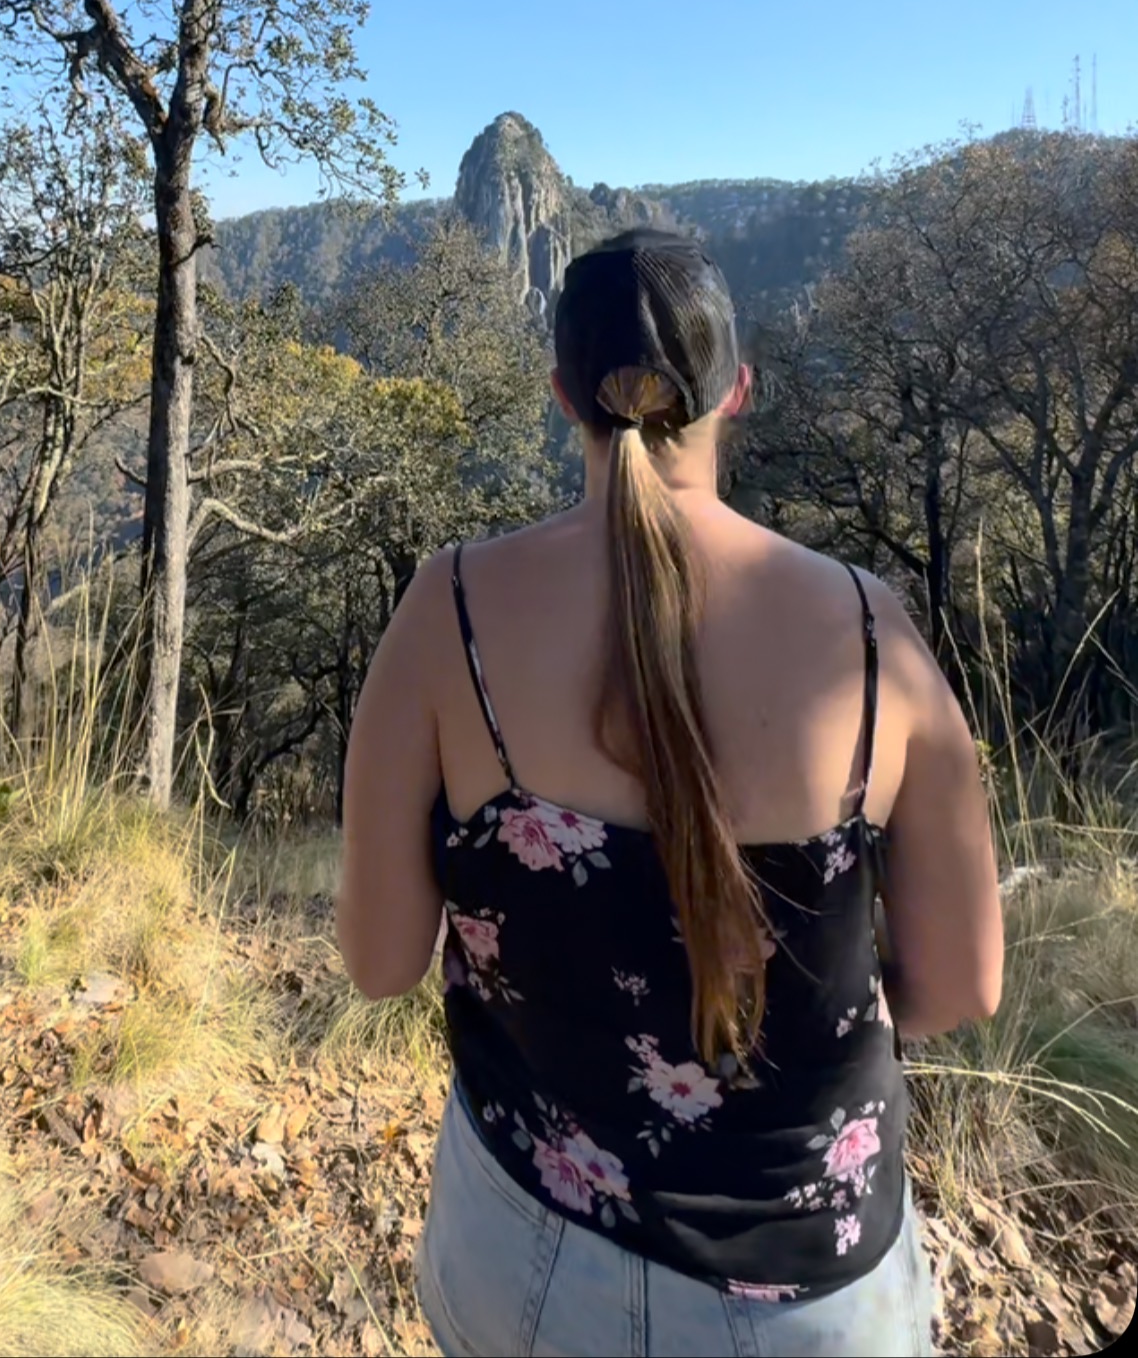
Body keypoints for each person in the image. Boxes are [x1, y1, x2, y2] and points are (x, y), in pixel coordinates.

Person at [337, 229, 1004, 1357]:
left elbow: (378, 961)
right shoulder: (871, 633)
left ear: (562, 396)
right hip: (815, 1291)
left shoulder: (446, 612)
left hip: (525, 1255)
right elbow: (962, 984)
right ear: (736, 390)